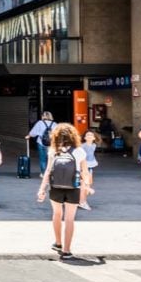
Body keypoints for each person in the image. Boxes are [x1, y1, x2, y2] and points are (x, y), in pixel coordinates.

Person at [36, 123, 92, 259]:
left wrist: (42, 189)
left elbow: (48, 171)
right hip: (73, 188)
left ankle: (58, 243)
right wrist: (87, 186)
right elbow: (85, 172)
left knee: (56, 214)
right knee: (69, 219)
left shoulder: (53, 151)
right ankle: (67, 250)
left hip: (56, 187)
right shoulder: (79, 151)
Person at [25, 111, 56, 177]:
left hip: (41, 143)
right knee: (51, 159)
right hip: (52, 144)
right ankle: (51, 173)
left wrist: (29, 136)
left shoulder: (40, 123)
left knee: (43, 159)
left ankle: (44, 174)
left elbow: (33, 132)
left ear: (43, 116)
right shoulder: (54, 124)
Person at [79, 130, 100, 211]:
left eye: (91, 135)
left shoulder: (94, 145)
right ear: (84, 137)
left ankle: (82, 199)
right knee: (85, 183)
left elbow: (91, 155)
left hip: (91, 165)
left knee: (88, 183)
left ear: (94, 138)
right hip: (84, 166)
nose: (89, 136)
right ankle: (82, 201)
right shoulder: (82, 146)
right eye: (87, 135)